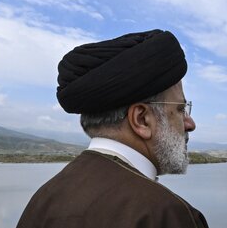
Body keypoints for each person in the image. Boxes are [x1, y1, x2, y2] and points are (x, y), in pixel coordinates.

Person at [17, 29, 209, 228]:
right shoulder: (165, 215)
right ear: (142, 120)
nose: (190, 124)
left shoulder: (43, 199)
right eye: (180, 109)